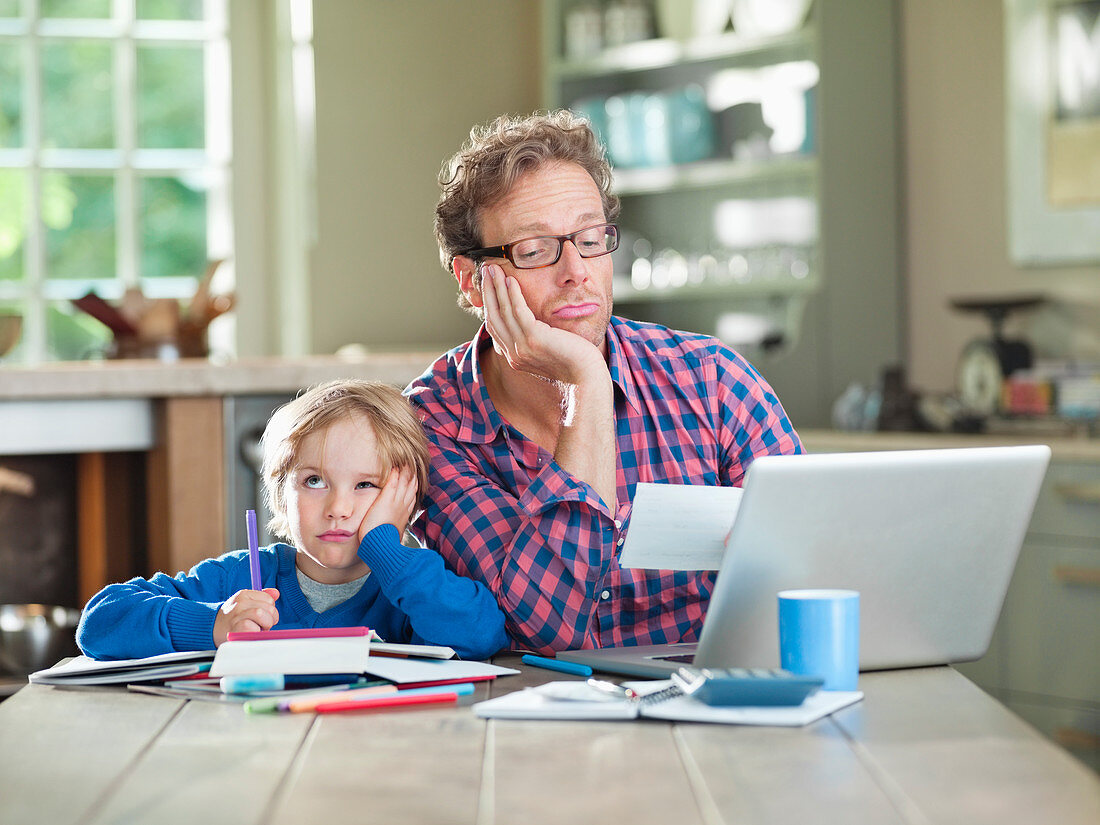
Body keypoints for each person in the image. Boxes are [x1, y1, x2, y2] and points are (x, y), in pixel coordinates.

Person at [404, 110, 803, 655]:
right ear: (474, 282)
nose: (577, 272)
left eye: (591, 239)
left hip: (712, 704)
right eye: (536, 250)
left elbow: (813, 576)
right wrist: (588, 384)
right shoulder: (431, 426)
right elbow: (549, 628)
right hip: (531, 718)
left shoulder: (713, 380)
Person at [77, 380, 508, 662]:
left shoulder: (410, 588)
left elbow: (481, 634)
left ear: (407, 501)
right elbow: (100, 622)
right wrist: (212, 625)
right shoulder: (241, 577)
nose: (338, 507)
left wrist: (387, 550)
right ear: (280, 495)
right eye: (315, 480)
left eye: (365, 486)